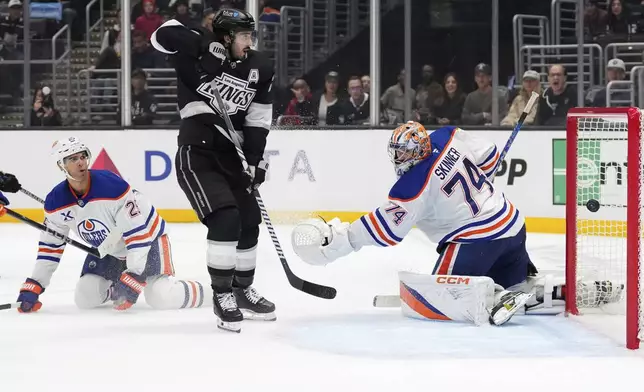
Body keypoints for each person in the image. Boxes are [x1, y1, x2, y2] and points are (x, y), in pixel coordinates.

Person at [290, 122, 624, 325]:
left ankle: (498, 297)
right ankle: (558, 292)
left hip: (477, 243)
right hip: (512, 226)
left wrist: (338, 241)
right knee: (519, 287)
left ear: (414, 152)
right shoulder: (447, 135)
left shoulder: (412, 185)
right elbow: (491, 156)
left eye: (403, 154)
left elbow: (385, 230)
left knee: (440, 297)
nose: (399, 160)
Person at [150, 8, 275, 332]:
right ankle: (222, 296)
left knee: (249, 221)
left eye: (251, 35)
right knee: (226, 217)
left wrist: (255, 158)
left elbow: (258, 118)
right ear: (228, 36)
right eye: (244, 35)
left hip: (230, 155)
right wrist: (202, 44)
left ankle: (242, 290)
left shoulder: (260, 66)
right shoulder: (195, 50)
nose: (250, 42)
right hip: (197, 153)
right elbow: (160, 35)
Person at [1, 137, 207, 314]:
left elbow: (138, 235)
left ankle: (210, 291)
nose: (81, 163)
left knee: (160, 297)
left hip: (149, 240)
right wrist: (36, 283)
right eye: (73, 159)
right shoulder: (55, 202)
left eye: (83, 156)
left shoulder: (113, 187)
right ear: (61, 165)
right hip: (110, 249)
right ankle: (117, 289)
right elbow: (51, 247)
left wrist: (134, 274)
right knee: (86, 297)